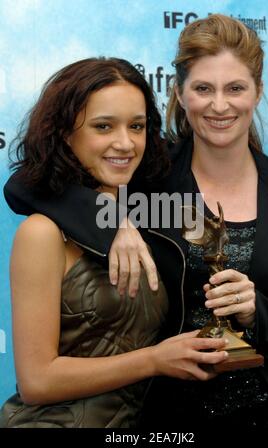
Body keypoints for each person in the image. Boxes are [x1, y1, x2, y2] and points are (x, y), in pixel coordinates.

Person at [3, 14, 268, 428]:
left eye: (235, 88)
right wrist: (111, 220)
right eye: (202, 88)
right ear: (179, 92)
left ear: (258, 91)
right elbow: (25, 185)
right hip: (167, 419)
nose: (219, 105)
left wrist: (260, 313)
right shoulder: (145, 175)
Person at [0, 57, 229, 428]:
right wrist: (154, 360)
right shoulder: (42, 233)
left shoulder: (148, 212)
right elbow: (37, 382)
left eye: (136, 126)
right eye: (103, 126)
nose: (124, 143)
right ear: (64, 133)